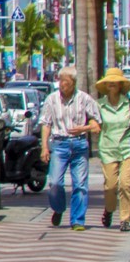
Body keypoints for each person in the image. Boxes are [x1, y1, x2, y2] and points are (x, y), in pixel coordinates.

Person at [40, 66, 102, 230]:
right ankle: (59, 208)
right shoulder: (51, 99)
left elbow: (97, 125)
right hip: (59, 144)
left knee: (80, 185)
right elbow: (46, 124)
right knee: (55, 183)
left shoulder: (84, 99)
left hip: (79, 144)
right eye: (60, 81)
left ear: (73, 83)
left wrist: (84, 128)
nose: (62, 85)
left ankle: (77, 220)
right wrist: (44, 147)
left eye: (66, 82)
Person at [97, 68, 130, 231]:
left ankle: (125, 219)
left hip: (127, 149)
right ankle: (109, 210)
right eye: (109, 81)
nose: (112, 83)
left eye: (115, 81)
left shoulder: (128, 104)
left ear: (120, 84)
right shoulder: (100, 105)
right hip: (108, 150)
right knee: (110, 187)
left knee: (125, 184)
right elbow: (95, 123)